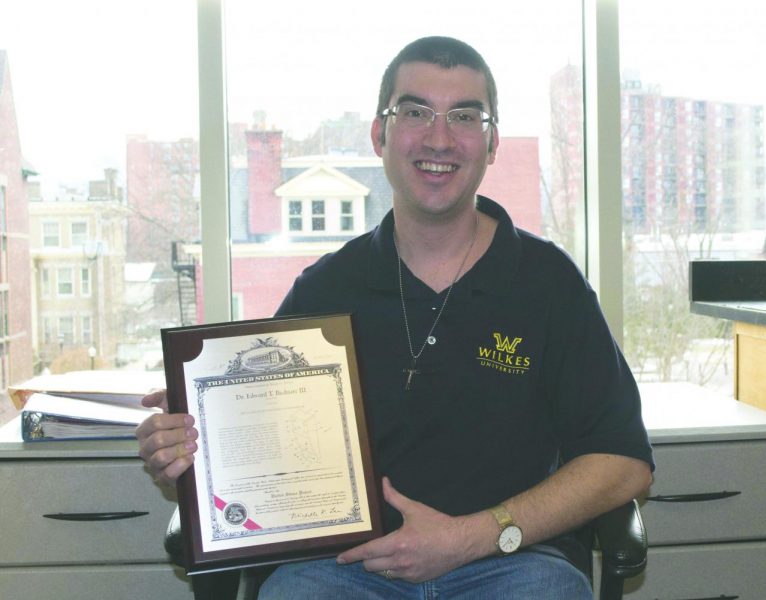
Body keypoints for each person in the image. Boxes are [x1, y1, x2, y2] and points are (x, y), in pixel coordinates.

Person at [137, 36, 653, 599]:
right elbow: (261, 452)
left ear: (492, 142)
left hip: (514, 564)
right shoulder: (325, 290)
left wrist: (473, 536)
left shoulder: (550, 284)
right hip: (343, 570)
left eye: (464, 115)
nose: (439, 137)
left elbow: (623, 462)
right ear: (380, 134)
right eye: (414, 112)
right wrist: (194, 443)